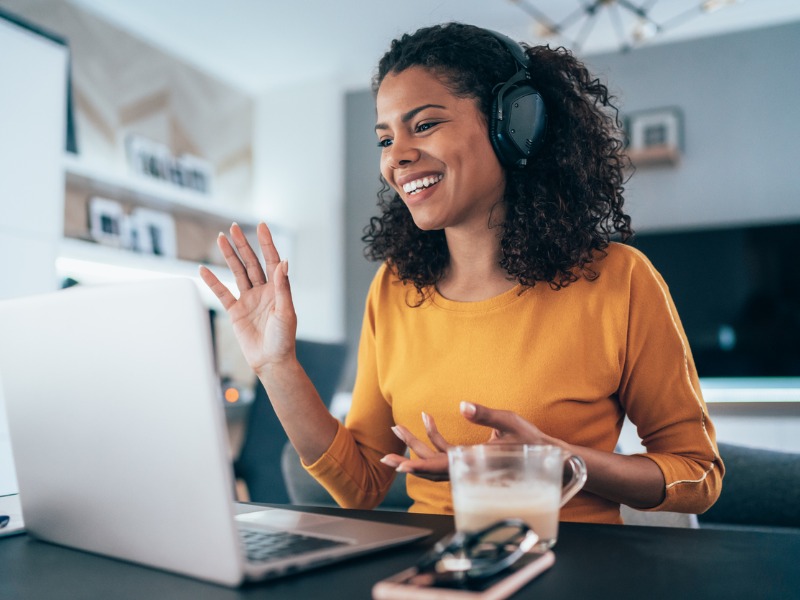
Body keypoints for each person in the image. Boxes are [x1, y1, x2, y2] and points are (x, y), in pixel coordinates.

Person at [199, 22, 723, 525]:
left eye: (424, 125)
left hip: (572, 562)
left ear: (516, 125)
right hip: (434, 570)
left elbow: (698, 476)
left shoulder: (619, 280)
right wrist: (277, 365)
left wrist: (559, 459)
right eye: (385, 139)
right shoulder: (396, 287)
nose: (397, 158)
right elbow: (361, 486)